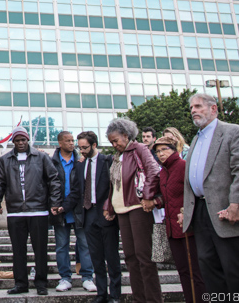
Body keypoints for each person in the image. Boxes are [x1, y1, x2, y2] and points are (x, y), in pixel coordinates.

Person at [182, 93, 239, 297]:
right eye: (191, 108)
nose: (193, 110)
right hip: (200, 211)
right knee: (208, 266)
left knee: (233, 267)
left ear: (213, 109)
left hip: (225, 209)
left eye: (198, 106)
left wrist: (236, 203)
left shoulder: (233, 132)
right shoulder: (196, 138)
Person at [0, 126, 62, 296]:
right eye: (17, 140)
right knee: (18, 250)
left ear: (28, 140)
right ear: (13, 142)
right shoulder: (6, 159)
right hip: (15, 212)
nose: (21, 143)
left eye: (23, 140)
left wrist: (54, 202)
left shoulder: (41, 157)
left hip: (38, 211)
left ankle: (41, 283)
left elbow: (54, 180)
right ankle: (21, 283)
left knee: (40, 250)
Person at [103, 117, 162, 303]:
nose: (114, 144)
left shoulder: (140, 149)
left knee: (144, 257)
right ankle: (139, 299)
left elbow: (154, 172)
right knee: (130, 257)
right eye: (111, 142)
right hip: (122, 210)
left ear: (126, 135)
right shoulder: (118, 156)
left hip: (138, 207)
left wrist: (148, 196)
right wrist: (109, 206)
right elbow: (114, 184)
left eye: (115, 140)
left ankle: (153, 299)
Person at [146, 136, 206, 302]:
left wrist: (186, 211)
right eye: (157, 151)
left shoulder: (184, 166)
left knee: (196, 271)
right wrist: (155, 201)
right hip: (172, 228)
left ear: (174, 149)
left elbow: (195, 193)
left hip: (188, 227)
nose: (160, 154)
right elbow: (165, 197)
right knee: (182, 270)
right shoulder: (163, 172)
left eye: (164, 149)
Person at [76, 131, 121, 303]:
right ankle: (101, 293)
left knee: (111, 256)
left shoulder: (108, 161)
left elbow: (115, 186)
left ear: (94, 145)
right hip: (88, 215)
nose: (82, 151)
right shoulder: (80, 165)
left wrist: (111, 208)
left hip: (106, 213)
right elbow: (75, 190)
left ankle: (115, 294)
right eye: (79, 148)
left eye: (85, 147)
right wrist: (62, 207)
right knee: (96, 257)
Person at [51, 130, 96, 293]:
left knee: (84, 244)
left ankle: (87, 277)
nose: (72, 143)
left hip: (80, 210)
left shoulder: (81, 160)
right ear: (60, 143)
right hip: (60, 210)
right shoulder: (51, 162)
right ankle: (65, 277)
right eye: (68, 141)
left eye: (72, 141)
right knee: (61, 246)